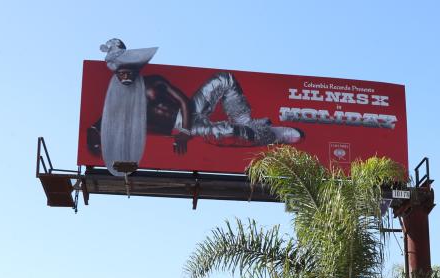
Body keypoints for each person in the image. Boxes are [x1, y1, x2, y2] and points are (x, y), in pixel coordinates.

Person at [88, 39, 303, 176]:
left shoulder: (153, 81)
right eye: (119, 69)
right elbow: (100, 127)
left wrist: (184, 131)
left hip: (189, 111)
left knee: (225, 78)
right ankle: (271, 135)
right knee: (227, 131)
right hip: (177, 127)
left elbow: (182, 101)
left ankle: (246, 122)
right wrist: (96, 139)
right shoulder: (119, 103)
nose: (124, 73)